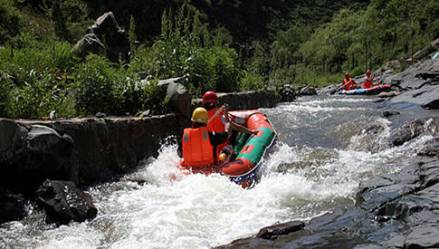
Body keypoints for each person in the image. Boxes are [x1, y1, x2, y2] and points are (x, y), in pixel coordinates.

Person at [181, 107, 255, 170]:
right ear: (205, 122)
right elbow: (226, 136)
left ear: (192, 121)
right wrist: (227, 126)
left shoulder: (185, 134)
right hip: (208, 167)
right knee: (228, 148)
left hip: (190, 168)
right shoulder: (208, 135)